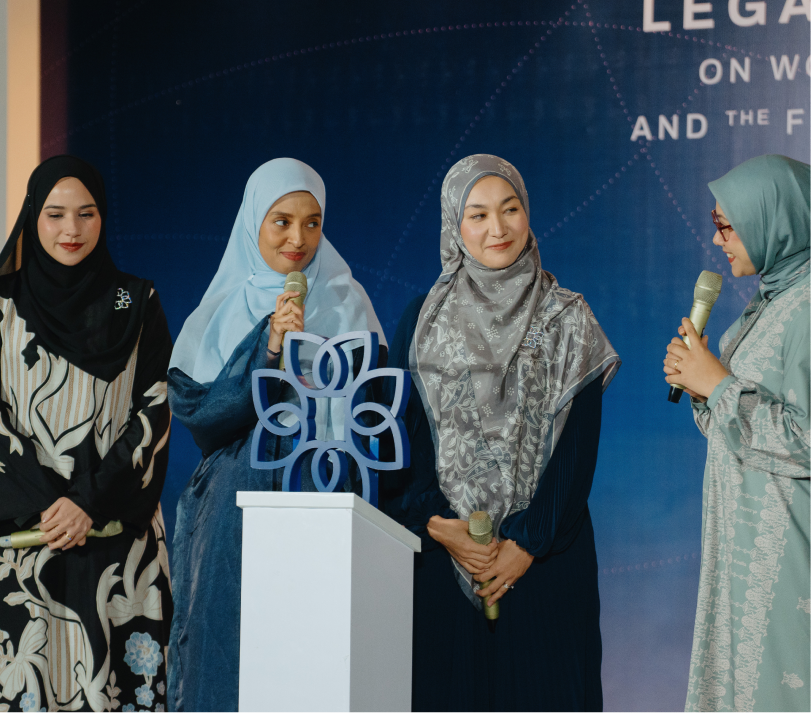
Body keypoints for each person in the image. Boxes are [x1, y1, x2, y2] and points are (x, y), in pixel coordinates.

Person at [380, 154, 620, 713]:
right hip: (444, 560)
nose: (497, 228)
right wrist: (443, 526)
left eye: (510, 210)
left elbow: (577, 455)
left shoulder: (569, 318)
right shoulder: (423, 320)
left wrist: (525, 545)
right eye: (478, 214)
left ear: (527, 214)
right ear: (454, 227)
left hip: (547, 565)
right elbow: (397, 438)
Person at [166, 157, 385, 713]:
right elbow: (201, 416)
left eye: (312, 222)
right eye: (281, 221)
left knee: (317, 669)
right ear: (252, 225)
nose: (298, 239)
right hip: (236, 518)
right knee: (233, 665)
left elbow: (378, 418)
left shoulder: (348, 302)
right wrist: (267, 347)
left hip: (329, 507)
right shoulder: (219, 312)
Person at [0, 155, 173, 713]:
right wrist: (53, 506)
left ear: (103, 219)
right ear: (32, 218)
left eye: (86, 214)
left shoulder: (132, 300)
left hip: (118, 544)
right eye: (54, 214)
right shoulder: (2, 305)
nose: (71, 230)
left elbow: (153, 409)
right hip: (24, 545)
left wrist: (87, 501)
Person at [663, 154, 811, 712]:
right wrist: (703, 387)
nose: (719, 239)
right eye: (715, 223)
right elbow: (743, 426)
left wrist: (719, 386)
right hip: (744, 547)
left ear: (774, 218)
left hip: (788, 554)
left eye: (728, 225)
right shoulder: (772, 301)